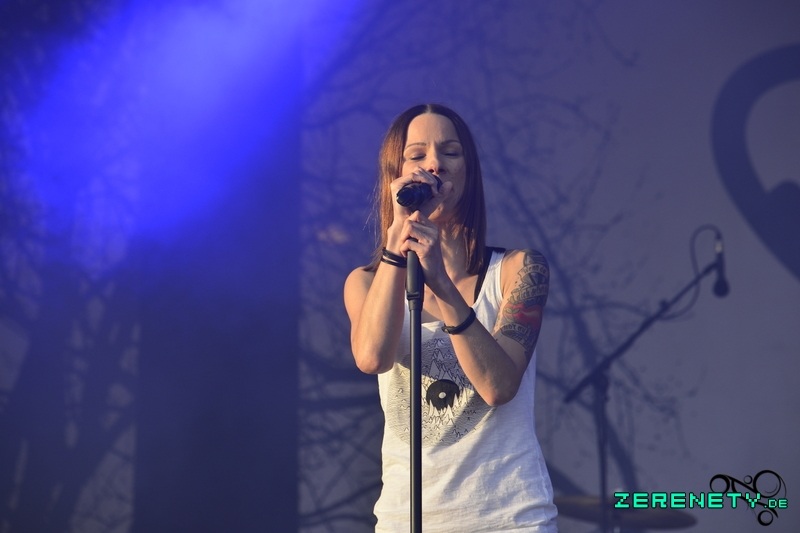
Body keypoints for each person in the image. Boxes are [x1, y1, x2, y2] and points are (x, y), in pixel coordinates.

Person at [343, 103, 558, 532]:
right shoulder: (365, 282)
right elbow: (372, 357)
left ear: (468, 172)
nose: (434, 164)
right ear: (395, 175)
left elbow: (498, 386)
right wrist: (397, 243)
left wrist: (442, 284)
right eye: (417, 155)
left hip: (509, 519)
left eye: (450, 152)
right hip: (406, 520)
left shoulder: (517, 270)